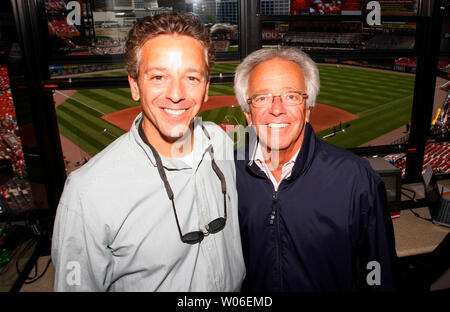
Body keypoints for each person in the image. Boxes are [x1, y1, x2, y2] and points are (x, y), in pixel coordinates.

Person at [51, 13, 245, 292]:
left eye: (191, 77)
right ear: (134, 86)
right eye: (158, 76)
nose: (176, 93)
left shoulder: (221, 142)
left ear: (205, 89)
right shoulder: (87, 192)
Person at [234, 48, 397, 292]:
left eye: (291, 96)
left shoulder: (356, 178)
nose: (276, 109)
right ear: (248, 115)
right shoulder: (227, 173)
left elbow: (380, 274)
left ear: (308, 109)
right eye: (261, 98)